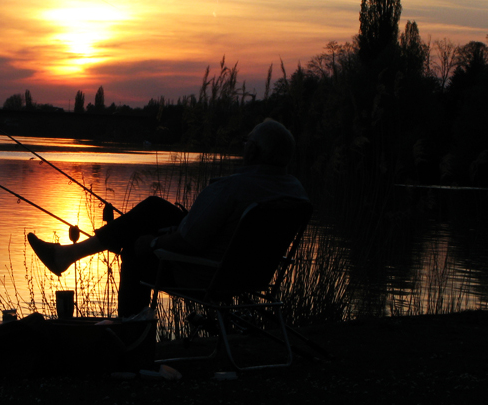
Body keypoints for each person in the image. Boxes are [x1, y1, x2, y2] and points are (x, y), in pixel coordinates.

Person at [27, 118, 308, 317]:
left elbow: (189, 241)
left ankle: (131, 334)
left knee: (135, 249)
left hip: (202, 273)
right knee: (153, 210)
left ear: (254, 150)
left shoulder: (231, 188)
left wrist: (152, 243)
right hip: (249, 275)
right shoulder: (296, 194)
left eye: (248, 142)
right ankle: (67, 255)